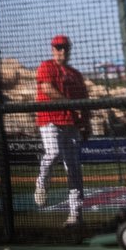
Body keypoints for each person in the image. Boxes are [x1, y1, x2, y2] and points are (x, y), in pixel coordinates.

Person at [34, 34, 88, 226]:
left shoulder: (75, 74)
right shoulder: (46, 66)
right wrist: (69, 103)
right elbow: (47, 89)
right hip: (50, 120)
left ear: (69, 49)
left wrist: (86, 122)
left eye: (65, 47)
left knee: (74, 169)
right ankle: (41, 182)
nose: (62, 50)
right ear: (52, 49)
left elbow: (84, 100)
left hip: (71, 124)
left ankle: (75, 214)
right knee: (54, 153)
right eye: (58, 47)